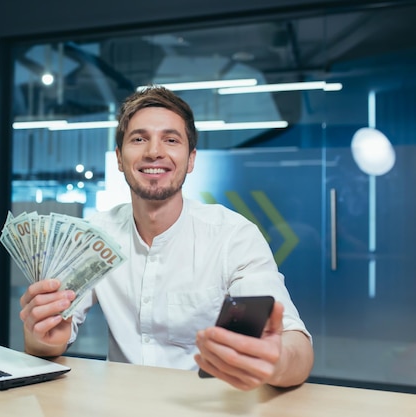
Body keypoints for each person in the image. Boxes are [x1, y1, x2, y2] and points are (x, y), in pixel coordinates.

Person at [19, 85, 314, 390]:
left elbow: (297, 348)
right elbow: (47, 342)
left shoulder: (233, 237)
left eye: (171, 140)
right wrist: (42, 334)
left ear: (191, 159)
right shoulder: (94, 236)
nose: (154, 152)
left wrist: (275, 360)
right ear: (119, 158)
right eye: (139, 139)